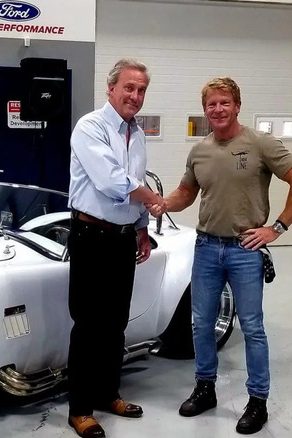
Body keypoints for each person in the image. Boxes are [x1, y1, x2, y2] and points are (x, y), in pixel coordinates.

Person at [150, 77, 292, 434]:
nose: (218, 110)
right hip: (207, 247)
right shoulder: (200, 151)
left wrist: (277, 228)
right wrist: (160, 204)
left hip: (245, 249)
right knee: (201, 324)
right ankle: (205, 388)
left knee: (253, 328)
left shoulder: (260, 144)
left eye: (225, 102)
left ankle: (257, 402)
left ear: (237, 105)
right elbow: (185, 193)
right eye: (211, 104)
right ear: (205, 109)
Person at [66, 58, 165, 438]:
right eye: (129, 88)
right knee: (88, 324)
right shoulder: (90, 127)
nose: (135, 96)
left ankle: (109, 394)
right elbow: (111, 181)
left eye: (141, 90)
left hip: (123, 238)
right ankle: (80, 409)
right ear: (111, 89)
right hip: (92, 237)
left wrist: (142, 228)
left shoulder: (138, 134)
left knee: (115, 323)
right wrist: (154, 198)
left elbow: (134, 182)